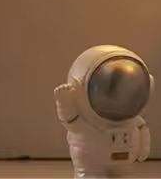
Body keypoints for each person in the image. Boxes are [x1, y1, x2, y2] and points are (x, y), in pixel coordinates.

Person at [54, 45, 153, 179]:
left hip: (125, 157)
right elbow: (71, 121)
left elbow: (142, 130)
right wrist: (65, 103)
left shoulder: (134, 121)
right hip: (90, 158)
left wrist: (143, 147)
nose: (120, 98)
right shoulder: (85, 122)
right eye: (113, 90)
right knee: (90, 174)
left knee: (123, 174)